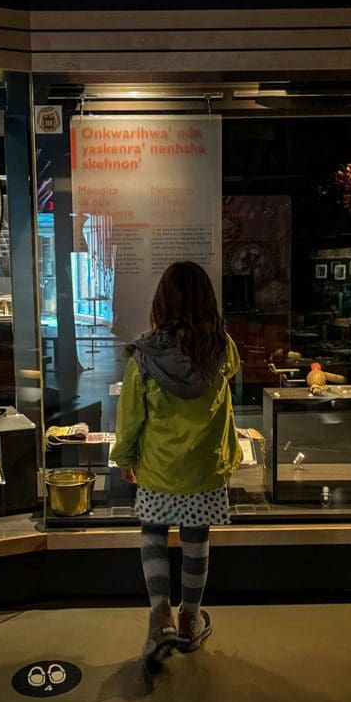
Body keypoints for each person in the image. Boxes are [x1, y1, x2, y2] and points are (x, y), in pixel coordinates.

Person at [110, 261, 242, 674]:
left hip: (159, 468)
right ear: (207, 300)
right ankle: (190, 620)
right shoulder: (222, 348)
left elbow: (130, 415)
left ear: (161, 301)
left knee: (152, 533)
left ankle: (160, 620)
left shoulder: (144, 355)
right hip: (203, 469)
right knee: (196, 540)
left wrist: (125, 457)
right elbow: (231, 374)